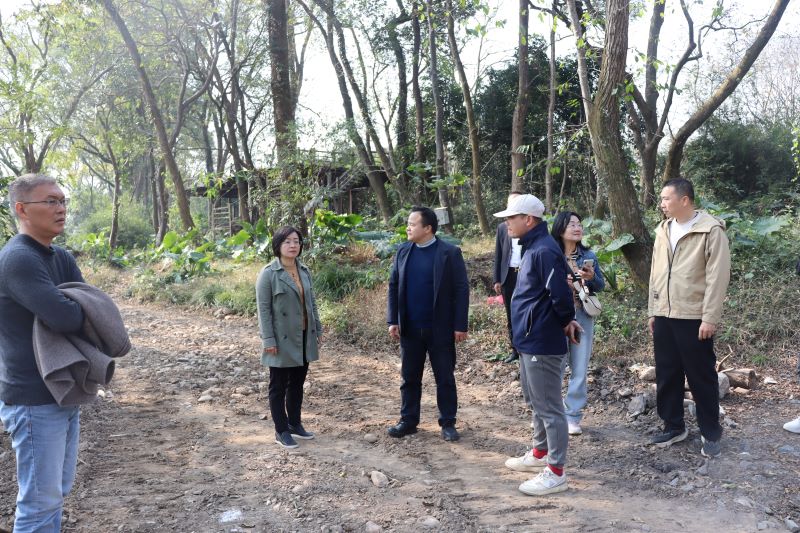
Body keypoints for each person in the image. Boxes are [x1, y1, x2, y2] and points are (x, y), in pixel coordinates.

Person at [0, 174, 85, 532]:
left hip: (63, 388)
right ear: (22, 209)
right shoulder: (18, 259)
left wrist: (73, 308)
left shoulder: (60, 256)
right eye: (50, 201)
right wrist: (72, 308)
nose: (60, 208)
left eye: (63, 200)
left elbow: (88, 306)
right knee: (39, 504)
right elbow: (70, 317)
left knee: (55, 494)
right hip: (33, 398)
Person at [494, 194, 581, 496]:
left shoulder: (544, 250)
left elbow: (560, 295)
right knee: (537, 401)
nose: (506, 224)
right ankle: (540, 453)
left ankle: (556, 472)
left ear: (528, 220)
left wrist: (566, 320)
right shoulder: (532, 247)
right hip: (529, 339)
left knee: (550, 408)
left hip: (542, 341)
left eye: (511, 218)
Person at [648, 178, 730, 458]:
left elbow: (718, 277)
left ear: (684, 200)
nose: (662, 203)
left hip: (694, 316)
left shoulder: (711, 230)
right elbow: (655, 273)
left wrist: (710, 317)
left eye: (666, 198)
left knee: (701, 376)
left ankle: (711, 432)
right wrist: (653, 309)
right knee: (667, 373)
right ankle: (674, 426)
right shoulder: (663, 229)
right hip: (664, 313)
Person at [386, 206, 469, 441]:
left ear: (428, 228)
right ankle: (408, 420)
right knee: (409, 378)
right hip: (410, 327)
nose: (408, 228)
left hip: (440, 328)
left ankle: (448, 423)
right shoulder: (403, 251)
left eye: (412, 224)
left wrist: (460, 325)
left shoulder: (449, 253)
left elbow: (461, 289)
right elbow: (393, 285)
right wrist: (393, 319)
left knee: (445, 378)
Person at [256, 226, 322, 449]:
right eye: (287, 241)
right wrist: (268, 340)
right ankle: (281, 430)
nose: (293, 245)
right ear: (278, 245)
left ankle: (294, 423)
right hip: (281, 338)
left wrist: (317, 329)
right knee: (278, 385)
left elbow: (311, 303)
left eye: (296, 241)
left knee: (297, 383)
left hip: (303, 335)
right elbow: (264, 310)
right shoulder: (269, 273)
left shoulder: (304, 270)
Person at [551, 211, 605, 436]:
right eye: (571, 224)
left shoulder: (588, 255)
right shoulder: (550, 254)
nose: (577, 228)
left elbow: (600, 285)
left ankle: (572, 415)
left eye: (579, 224)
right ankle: (550, 414)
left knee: (580, 367)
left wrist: (591, 278)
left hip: (582, 314)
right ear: (560, 228)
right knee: (554, 366)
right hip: (556, 317)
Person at [493, 191, 524, 363]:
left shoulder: (528, 225)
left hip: (526, 273)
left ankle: (527, 348)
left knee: (526, 311)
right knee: (510, 314)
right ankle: (515, 349)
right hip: (508, 274)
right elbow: (498, 254)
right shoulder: (502, 227)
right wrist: (497, 278)